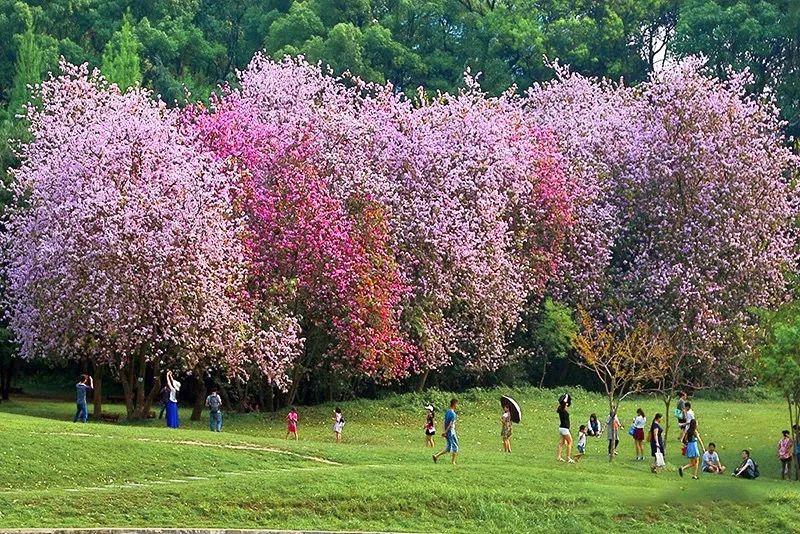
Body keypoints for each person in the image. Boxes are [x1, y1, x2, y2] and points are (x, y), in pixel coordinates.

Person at [433, 398, 459, 465]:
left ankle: (436, 456)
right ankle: (453, 462)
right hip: (451, 432)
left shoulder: (447, 412)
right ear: (454, 404)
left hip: (447, 431)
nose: (457, 406)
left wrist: (444, 431)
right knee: (455, 446)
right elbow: (450, 424)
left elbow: (444, 422)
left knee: (448, 447)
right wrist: (446, 432)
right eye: (457, 404)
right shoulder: (453, 414)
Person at [556, 398, 574, 463]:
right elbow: (564, 404)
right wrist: (565, 398)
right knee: (570, 442)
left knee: (561, 443)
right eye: (566, 404)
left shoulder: (560, 410)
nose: (567, 405)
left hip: (561, 428)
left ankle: (559, 457)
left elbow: (563, 404)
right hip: (565, 429)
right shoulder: (563, 410)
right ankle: (568, 458)